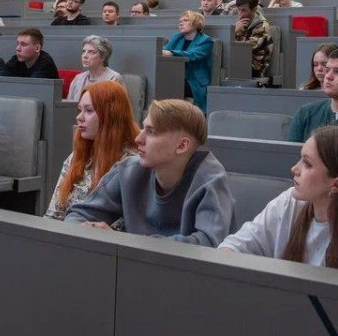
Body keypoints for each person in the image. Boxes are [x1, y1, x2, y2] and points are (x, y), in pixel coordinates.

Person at [219, 125, 338, 277]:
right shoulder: (289, 202)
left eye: (307, 163)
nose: (294, 169)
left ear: (336, 184)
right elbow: (234, 246)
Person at [64, 99, 234, 247]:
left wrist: (124, 242)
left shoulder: (210, 180)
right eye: (143, 128)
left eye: (151, 132)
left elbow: (208, 244)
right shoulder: (127, 171)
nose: (138, 139)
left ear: (182, 145)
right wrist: (90, 232)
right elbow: (78, 216)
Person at [45, 81, 140, 221]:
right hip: (66, 232)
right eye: (80, 110)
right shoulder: (76, 157)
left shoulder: (132, 164)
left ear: (110, 115)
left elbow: (132, 224)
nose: (79, 117)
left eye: (88, 111)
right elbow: (54, 214)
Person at [162, 11, 215, 112]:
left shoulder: (206, 40)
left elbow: (192, 55)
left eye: (185, 20)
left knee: (170, 87)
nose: (181, 23)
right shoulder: (177, 37)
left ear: (196, 23)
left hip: (193, 80)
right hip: (177, 76)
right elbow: (165, 50)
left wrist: (171, 53)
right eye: (180, 21)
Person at [67, 36, 124, 101]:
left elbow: (120, 106)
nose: (85, 56)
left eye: (92, 52)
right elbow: (68, 106)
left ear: (103, 57)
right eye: (84, 51)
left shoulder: (114, 78)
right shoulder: (78, 79)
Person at [233, 0, 273, 78]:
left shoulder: (262, 26)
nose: (240, 14)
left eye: (244, 10)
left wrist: (234, 32)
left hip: (255, 66)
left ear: (254, 9)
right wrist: (235, 32)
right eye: (239, 10)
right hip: (240, 60)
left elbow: (246, 49)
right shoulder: (241, 21)